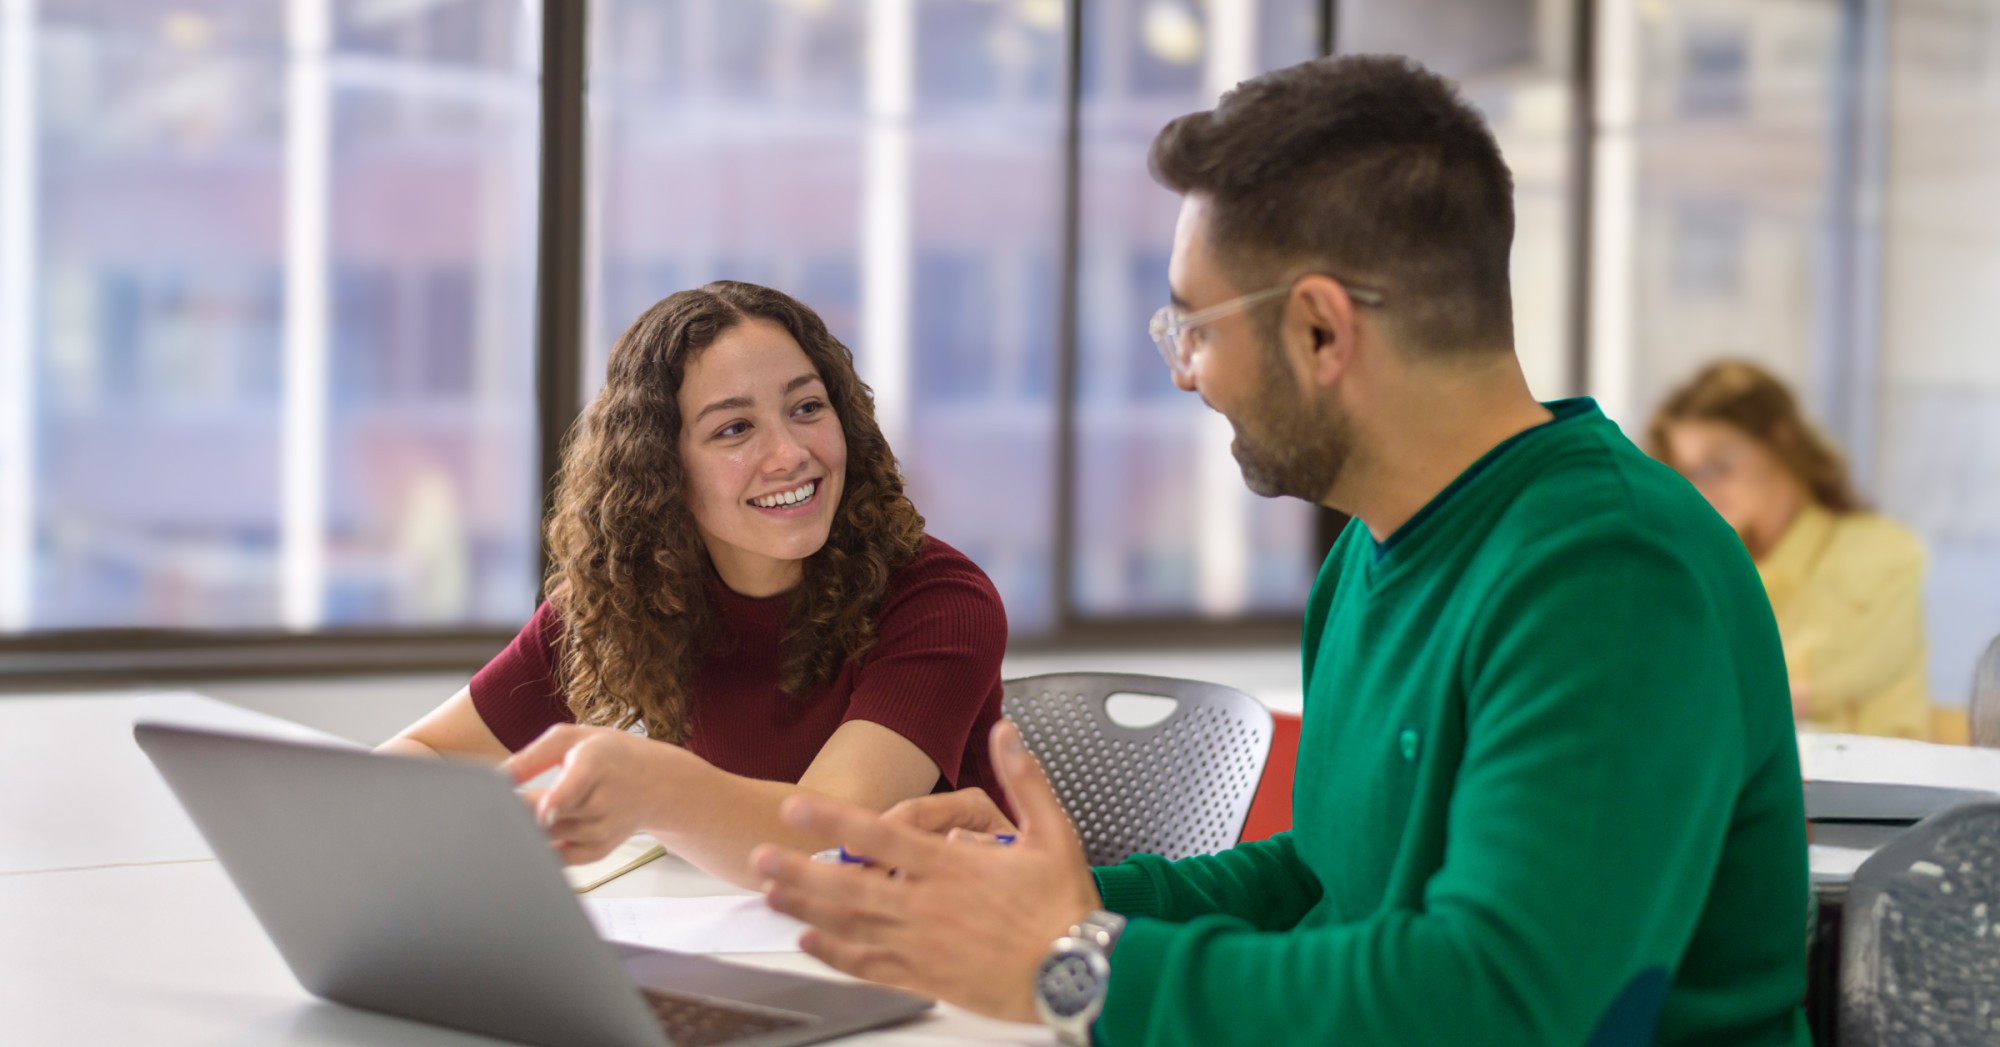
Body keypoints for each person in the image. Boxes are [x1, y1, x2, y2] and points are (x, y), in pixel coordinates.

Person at [746, 55, 1812, 1047]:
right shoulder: (1368, 555)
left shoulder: (1609, 575)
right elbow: (1330, 877)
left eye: (1192, 327)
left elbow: (1496, 1000)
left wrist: (1072, 966)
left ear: (1317, 330)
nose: (1184, 373)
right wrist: (1037, 895)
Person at [379, 281, 1008, 889]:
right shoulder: (624, 596)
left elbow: (825, 841)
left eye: (807, 408)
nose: (789, 453)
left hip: (955, 962)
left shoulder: (941, 601)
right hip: (758, 944)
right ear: (664, 470)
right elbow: (431, 754)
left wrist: (654, 791)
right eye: (734, 429)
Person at [1650, 360, 1932, 739]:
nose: (1702, 487)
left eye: (1717, 466)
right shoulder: (1711, 564)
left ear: (1781, 439)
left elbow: (1842, 679)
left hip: (1872, 783)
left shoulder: (1882, 551)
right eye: (1687, 472)